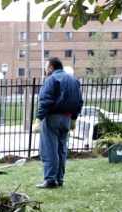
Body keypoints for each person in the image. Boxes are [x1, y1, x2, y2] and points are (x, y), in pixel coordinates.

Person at [32, 57, 83, 189]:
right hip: (66, 119)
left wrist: (38, 119)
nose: (45, 70)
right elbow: (79, 102)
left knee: (49, 149)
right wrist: (73, 119)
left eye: (46, 68)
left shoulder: (52, 79)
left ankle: (50, 180)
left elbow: (45, 101)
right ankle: (59, 179)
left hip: (52, 118)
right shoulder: (74, 80)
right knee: (61, 150)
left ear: (51, 68)